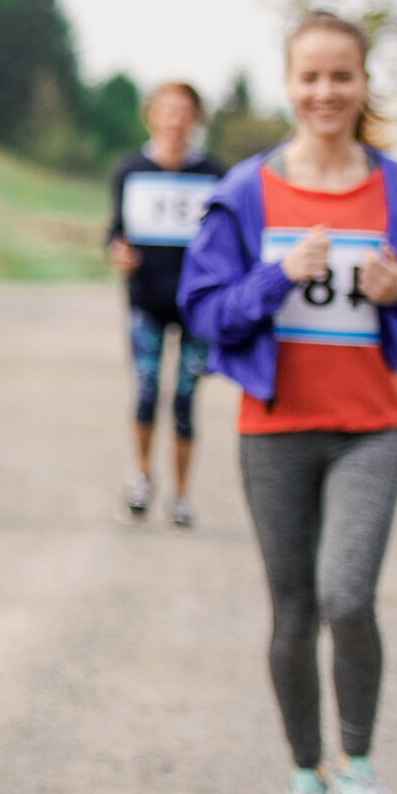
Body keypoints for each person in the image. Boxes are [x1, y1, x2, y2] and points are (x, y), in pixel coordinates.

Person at [179, 12, 397, 794]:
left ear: (365, 83)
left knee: (348, 595)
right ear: (288, 83)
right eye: (311, 77)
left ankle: (357, 767)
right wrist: (275, 277)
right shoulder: (247, 193)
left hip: (372, 428)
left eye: (343, 76)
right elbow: (205, 311)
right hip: (276, 432)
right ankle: (305, 779)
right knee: (293, 610)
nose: (326, 92)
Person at [104, 81, 227, 528]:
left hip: (196, 307)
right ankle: (141, 477)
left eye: (184, 112)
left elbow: (227, 239)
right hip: (146, 301)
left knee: (185, 400)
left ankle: (181, 495)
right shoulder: (130, 170)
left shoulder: (215, 174)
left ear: (196, 119)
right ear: (151, 116)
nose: (175, 120)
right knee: (147, 390)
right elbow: (114, 230)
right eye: (166, 110)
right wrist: (116, 250)